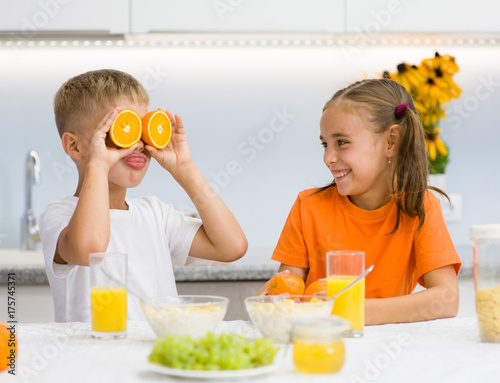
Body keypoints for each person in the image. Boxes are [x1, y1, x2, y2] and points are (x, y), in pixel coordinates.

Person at [40, 69, 247, 322]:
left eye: (143, 129)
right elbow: (91, 249)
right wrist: (99, 164)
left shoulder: (154, 214)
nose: (138, 144)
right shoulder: (60, 214)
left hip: (154, 355)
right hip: (92, 356)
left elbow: (232, 247)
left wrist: (185, 170)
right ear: (74, 146)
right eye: (121, 129)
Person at [258, 78, 462, 325]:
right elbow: (287, 290)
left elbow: (447, 299)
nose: (328, 157)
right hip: (320, 341)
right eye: (325, 144)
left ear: (391, 142)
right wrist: (271, 301)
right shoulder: (308, 206)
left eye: (341, 143)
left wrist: (351, 310)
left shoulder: (421, 207)